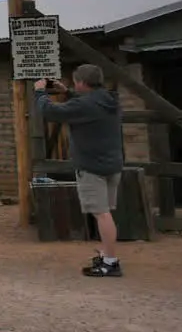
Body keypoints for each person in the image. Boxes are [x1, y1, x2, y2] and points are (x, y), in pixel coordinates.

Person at [35, 64, 125, 277]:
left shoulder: (85, 105)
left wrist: (40, 91)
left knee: (101, 214)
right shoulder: (110, 99)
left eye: (75, 82)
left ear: (83, 83)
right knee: (105, 212)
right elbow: (86, 103)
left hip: (92, 166)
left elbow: (50, 111)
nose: (74, 84)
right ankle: (106, 255)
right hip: (111, 164)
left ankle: (110, 263)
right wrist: (66, 91)